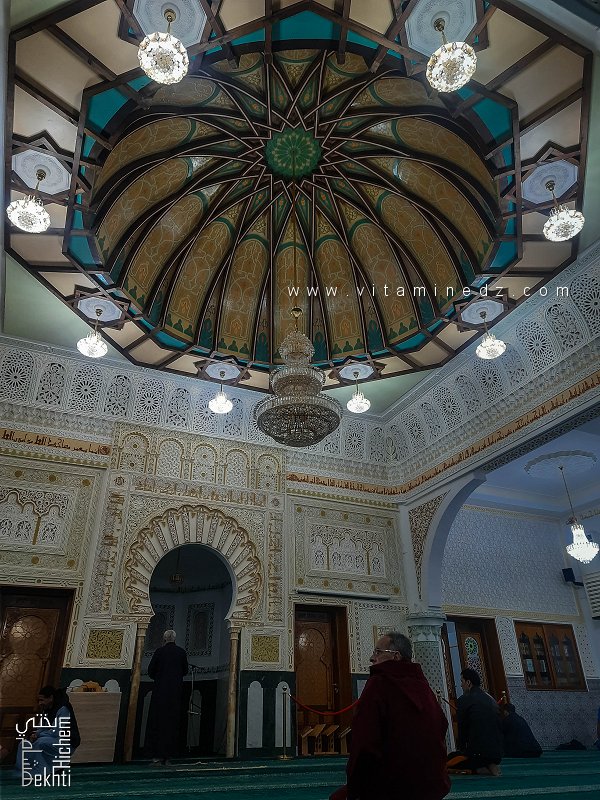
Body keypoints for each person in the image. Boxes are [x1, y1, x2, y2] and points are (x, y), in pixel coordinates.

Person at [329, 632, 450, 800]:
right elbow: (442, 726)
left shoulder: (379, 683)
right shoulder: (423, 686)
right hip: (433, 784)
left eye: (378, 652)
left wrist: (355, 787)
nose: (372, 658)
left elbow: (364, 743)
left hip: (393, 786)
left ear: (396, 656)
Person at [14, 686, 80, 782]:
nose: (40, 703)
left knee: (40, 742)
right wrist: (34, 734)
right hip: (50, 738)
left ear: (51, 698)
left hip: (66, 741)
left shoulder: (63, 709)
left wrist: (38, 735)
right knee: (24, 744)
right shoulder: (47, 709)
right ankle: (24, 771)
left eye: (42, 700)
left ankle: (41, 770)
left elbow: (56, 732)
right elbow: (41, 727)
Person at [447, 668, 503, 776]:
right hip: (498, 753)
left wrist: (462, 751)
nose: (461, 685)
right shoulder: (491, 699)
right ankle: (489, 764)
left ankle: (479, 769)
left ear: (468, 682)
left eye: (462, 681)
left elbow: (462, 731)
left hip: (477, 754)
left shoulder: (463, 700)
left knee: (449, 761)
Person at [146, 629, 188, 766]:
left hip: (160, 693)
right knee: (172, 724)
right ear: (175, 639)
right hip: (175, 694)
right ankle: (168, 757)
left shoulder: (159, 652)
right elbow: (185, 671)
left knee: (158, 723)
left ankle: (156, 757)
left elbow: (151, 671)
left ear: (164, 639)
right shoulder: (181, 652)